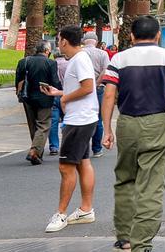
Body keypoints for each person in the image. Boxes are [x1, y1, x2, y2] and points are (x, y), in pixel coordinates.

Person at [103, 15, 165, 252]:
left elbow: (109, 94)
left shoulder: (119, 59)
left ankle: (124, 237)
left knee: (125, 180)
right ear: (158, 35)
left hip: (126, 123)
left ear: (132, 36)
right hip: (155, 123)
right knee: (151, 185)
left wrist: (106, 128)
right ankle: (141, 244)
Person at [40, 25, 100, 233]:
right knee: (83, 163)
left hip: (79, 120)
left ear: (65, 40)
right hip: (83, 117)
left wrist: (65, 97)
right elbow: (80, 87)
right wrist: (58, 92)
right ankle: (85, 209)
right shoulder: (78, 59)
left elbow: (88, 87)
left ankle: (62, 213)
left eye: (58, 39)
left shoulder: (80, 59)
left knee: (66, 167)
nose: (57, 44)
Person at [14, 40, 61, 165]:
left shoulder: (24, 61)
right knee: (43, 125)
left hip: (27, 97)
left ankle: (36, 152)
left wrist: (18, 93)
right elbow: (55, 81)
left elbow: (18, 80)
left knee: (32, 125)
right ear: (46, 51)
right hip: (45, 97)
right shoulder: (51, 63)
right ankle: (34, 151)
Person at [81, 32, 110, 158]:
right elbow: (106, 70)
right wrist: (97, 83)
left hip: (82, 89)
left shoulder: (80, 53)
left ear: (84, 41)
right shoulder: (103, 53)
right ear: (96, 41)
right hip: (98, 88)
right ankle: (97, 149)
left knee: (83, 117)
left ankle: (83, 148)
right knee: (98, 119)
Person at [47, 50, 68, 155]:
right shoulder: (69, 64)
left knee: (53, 122)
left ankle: (54, 146)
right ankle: (67, 144)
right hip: (66, 94)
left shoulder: (50, 64)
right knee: (68, 120)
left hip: (53, 94)